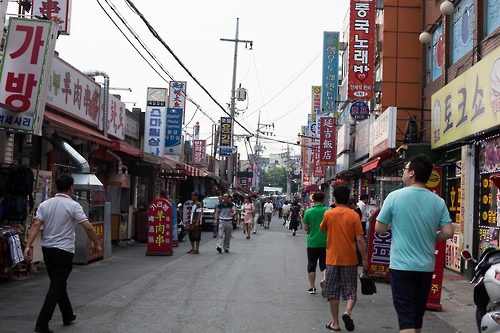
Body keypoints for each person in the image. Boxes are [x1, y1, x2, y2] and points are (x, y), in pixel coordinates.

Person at [375, 154, 453, 333]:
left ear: (412, 173)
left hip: (402, 267)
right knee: (417, 318)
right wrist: (431, 236)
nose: (403, 173)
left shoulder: (394, 197)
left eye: (404, 170)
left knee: (406, 319)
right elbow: (448, 232)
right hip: (425, 268)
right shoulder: (438, 201)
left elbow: (379, 228)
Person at [23, 174, 101, 333]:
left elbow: (36, 225)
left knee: (59, 284)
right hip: (64, 251)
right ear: (71, 188)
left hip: (48, 250)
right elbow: (88, 227)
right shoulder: (73, 206)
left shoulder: (45, 204)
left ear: (56, 187)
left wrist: (28, 245)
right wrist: (96, 243)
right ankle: (42, 324)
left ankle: (67, 315)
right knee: (56, 286)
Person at [320, 185, 368, 332]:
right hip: (350, 259)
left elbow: (323, 229)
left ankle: (335, 323)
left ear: (334, 199)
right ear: (348, 199)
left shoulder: (329, 214)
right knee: (350, 289)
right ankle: (347, 312)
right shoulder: (354, 215)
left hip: (333, 259)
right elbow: (360, 239)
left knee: (333, 292)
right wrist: (364, 259)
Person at [302, 192, 328, 295]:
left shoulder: (308, 212)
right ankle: (325, 280)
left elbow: (306, 228)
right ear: (323, 199)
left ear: (313, 200)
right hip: (326, 242)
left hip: (312, 243)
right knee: (324, 265)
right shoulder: (328, 211)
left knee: (311, 266)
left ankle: (312, 287)